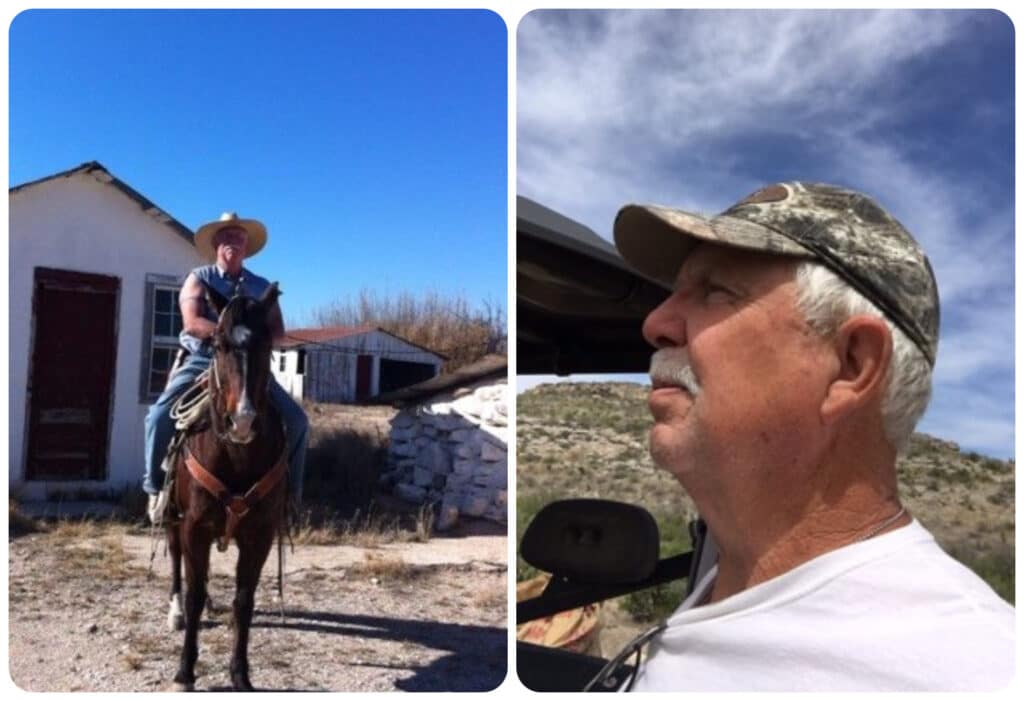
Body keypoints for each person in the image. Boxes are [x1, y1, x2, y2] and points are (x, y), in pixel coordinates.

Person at [609, 182, 1014, 691]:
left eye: (716, 291)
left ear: (850, 365)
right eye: (678, 293)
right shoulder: (724, 586)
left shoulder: (976, 673)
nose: (656, 323)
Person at [143, 212, 309, 525]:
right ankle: (156, 490)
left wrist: (253, 339)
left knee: (299, 421)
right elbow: (192, 322)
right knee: (158, 416)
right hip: (206, 359)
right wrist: (228, 333)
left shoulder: (261, 287)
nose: (233, 242)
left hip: (251, 364)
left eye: (239, 238)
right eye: (227, 237)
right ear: (217, 243)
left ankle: (291, 497)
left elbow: (277, 332)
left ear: (246, 247)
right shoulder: (200, 278)